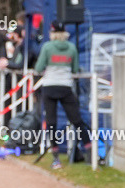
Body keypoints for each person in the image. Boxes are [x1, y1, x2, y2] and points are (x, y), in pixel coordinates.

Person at [35, 21, 89, 169]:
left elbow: (39, 67)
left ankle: (56, 158)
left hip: (50, 86)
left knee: (51, 123)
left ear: (52, 33)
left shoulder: (47, 47)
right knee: (77, 120)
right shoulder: (71, 47)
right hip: (66, 86)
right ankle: (91, 153)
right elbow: (76, 69)